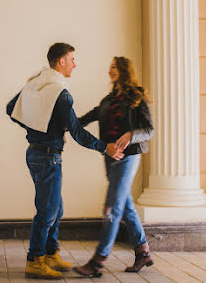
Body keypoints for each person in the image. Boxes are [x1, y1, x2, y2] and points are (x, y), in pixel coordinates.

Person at [6, 43, 124, 279]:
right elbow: (77, 132)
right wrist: (105, 148)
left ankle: (51, 254)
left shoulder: (36, 84)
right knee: (47, 211)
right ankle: (35, 260)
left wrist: (37, 127)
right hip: (48, 157)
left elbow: (11, 108)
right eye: (72, 59)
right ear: (61, 62)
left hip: (35, 153)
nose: (74, 64)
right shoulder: (60, 93)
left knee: (56, 209)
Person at [73, 56, 154, 277]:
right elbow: (85, 119)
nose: (110, 70)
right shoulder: (108, 100)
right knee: (124, 205)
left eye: (115, 67)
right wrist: (65, 122)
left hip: (128, 158)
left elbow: (149, 129)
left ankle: (98, 261)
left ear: (125, 71)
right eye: (110, 67)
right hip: (110, 159)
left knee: (112, 208)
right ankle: (143, 251)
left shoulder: (136, 96)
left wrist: (131, 134)